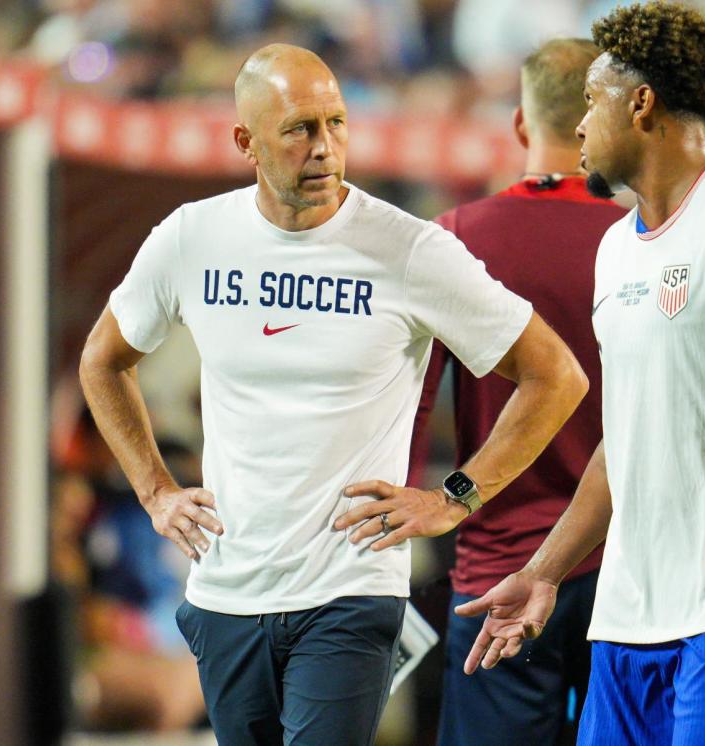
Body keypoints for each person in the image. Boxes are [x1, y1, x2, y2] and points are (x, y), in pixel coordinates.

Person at [78, 43, 589, 746]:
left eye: (336, 123)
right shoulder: (193, 238)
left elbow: (556, 375)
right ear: (245, 142)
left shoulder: (409, 249)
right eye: (299, 129)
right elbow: (103, 361)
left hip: (350, 593)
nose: (325, 147)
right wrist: (155, 490)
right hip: (227, 591)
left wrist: (456, 498)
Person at [457, 4, 705, 744]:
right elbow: (621, 440)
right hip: (630, 612)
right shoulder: (616, 249)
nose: (579, 126)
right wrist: (544, 572)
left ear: (641, 103)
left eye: (593, 102)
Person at [407, 37, 625, 746]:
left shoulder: (457, 239)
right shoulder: (645, 242)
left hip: (498, 569)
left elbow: (410, 405)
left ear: (522, 125)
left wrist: (430, 504)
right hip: (626, 572)